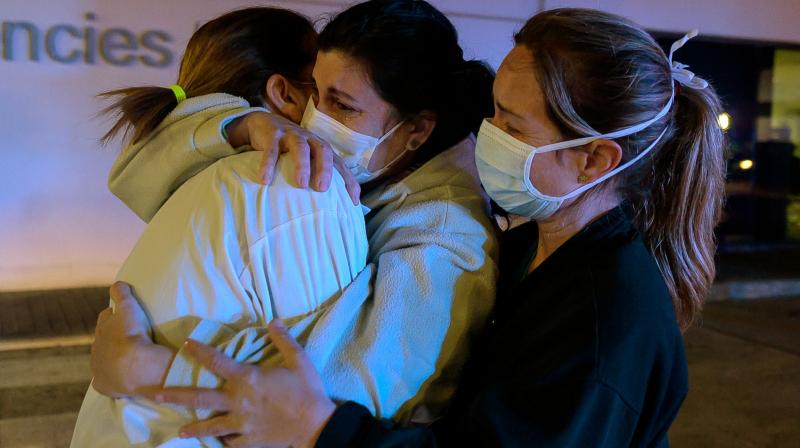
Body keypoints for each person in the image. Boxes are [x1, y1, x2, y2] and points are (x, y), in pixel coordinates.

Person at [147, 8, 727, 447]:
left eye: (512, 126)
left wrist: (318, 427)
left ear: (594, 160)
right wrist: (244, 124)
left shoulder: (608, 320)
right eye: (494, 109)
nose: (485, 135)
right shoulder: (532, 247)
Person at [86, 0, 499, 445]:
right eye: (316, 94)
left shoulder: (449, 236)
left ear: (417, 130)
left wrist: (151, 369)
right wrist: (245, 123)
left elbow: (339, 399)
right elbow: (138, 173)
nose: (315, 118)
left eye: (342, 106)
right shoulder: (373, 170)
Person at [70, 8, 365, 447]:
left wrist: (146, 368)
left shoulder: (193, 167)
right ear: (284, 92)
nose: (325, 111)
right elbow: (317, 384)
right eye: (323, 93)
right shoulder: (294, 179)